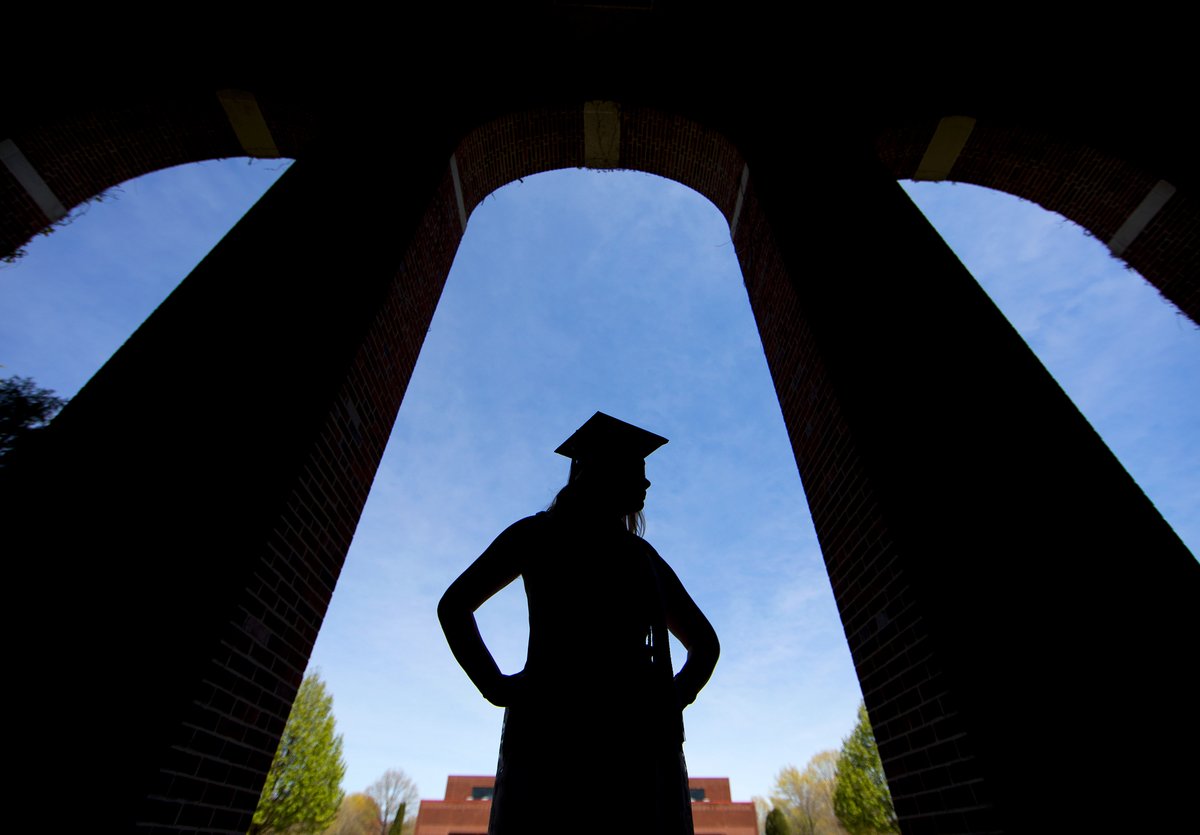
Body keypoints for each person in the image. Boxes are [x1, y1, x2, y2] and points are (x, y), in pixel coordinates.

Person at [438, 412, 720, 835]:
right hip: (593, 745)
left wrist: (671, 699)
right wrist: (668, 699)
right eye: (636, 471)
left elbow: (705, 645)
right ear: (600, 470)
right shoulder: (631, 558)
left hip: (569, 736)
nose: (647, 484)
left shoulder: (545, 537)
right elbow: (455, 606)